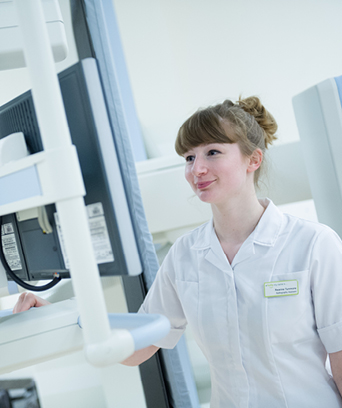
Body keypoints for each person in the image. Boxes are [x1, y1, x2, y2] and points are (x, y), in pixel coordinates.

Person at [14, 96, 342, 408]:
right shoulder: (187, 254)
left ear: (253, 160)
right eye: (189, 157)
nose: (196, 169)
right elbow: (136, 348)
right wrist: (63, 317)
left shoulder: (313, 244)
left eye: (212, 152)